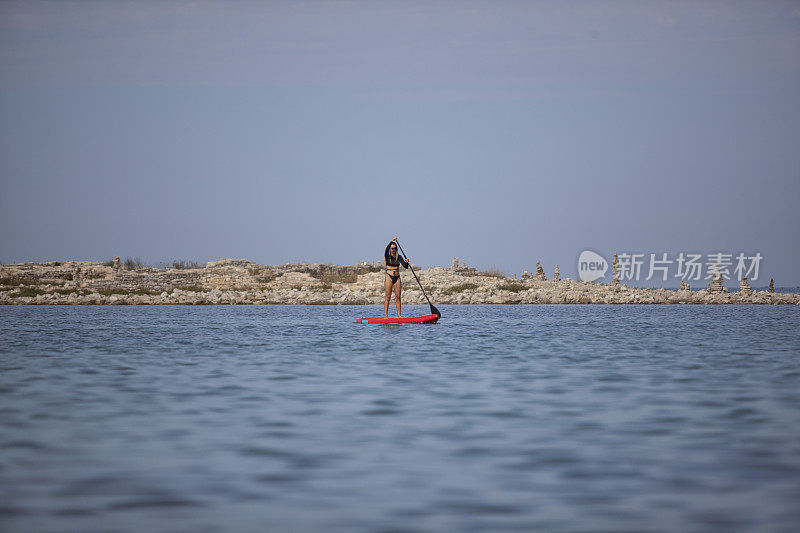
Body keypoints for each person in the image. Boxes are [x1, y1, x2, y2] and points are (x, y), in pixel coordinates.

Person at [384, 238, 409, 318]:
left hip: (397, 277)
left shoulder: (399, 257)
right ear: (390, 249)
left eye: (395, 248)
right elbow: (386, 249)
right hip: (389, 276)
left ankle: (399, 315)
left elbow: (405, 267)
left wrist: (407, 262)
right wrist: (391, 241)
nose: (393, 250)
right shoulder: (387, 256)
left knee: (398, 297)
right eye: (392, 248)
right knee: (388, 297)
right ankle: (385, 315)